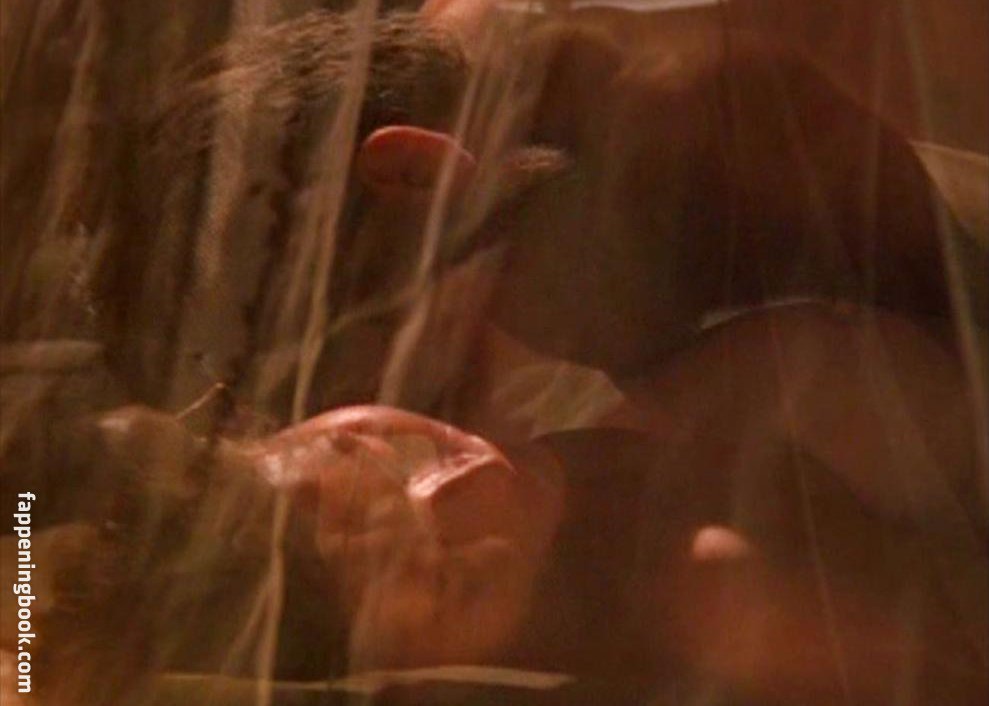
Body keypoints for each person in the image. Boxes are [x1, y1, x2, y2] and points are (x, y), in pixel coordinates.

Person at [2, 2, 986, 705]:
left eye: (368, 363)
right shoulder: (504, 134)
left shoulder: (687, 141)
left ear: (415, 171)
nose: (458, 448)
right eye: (330, 407)